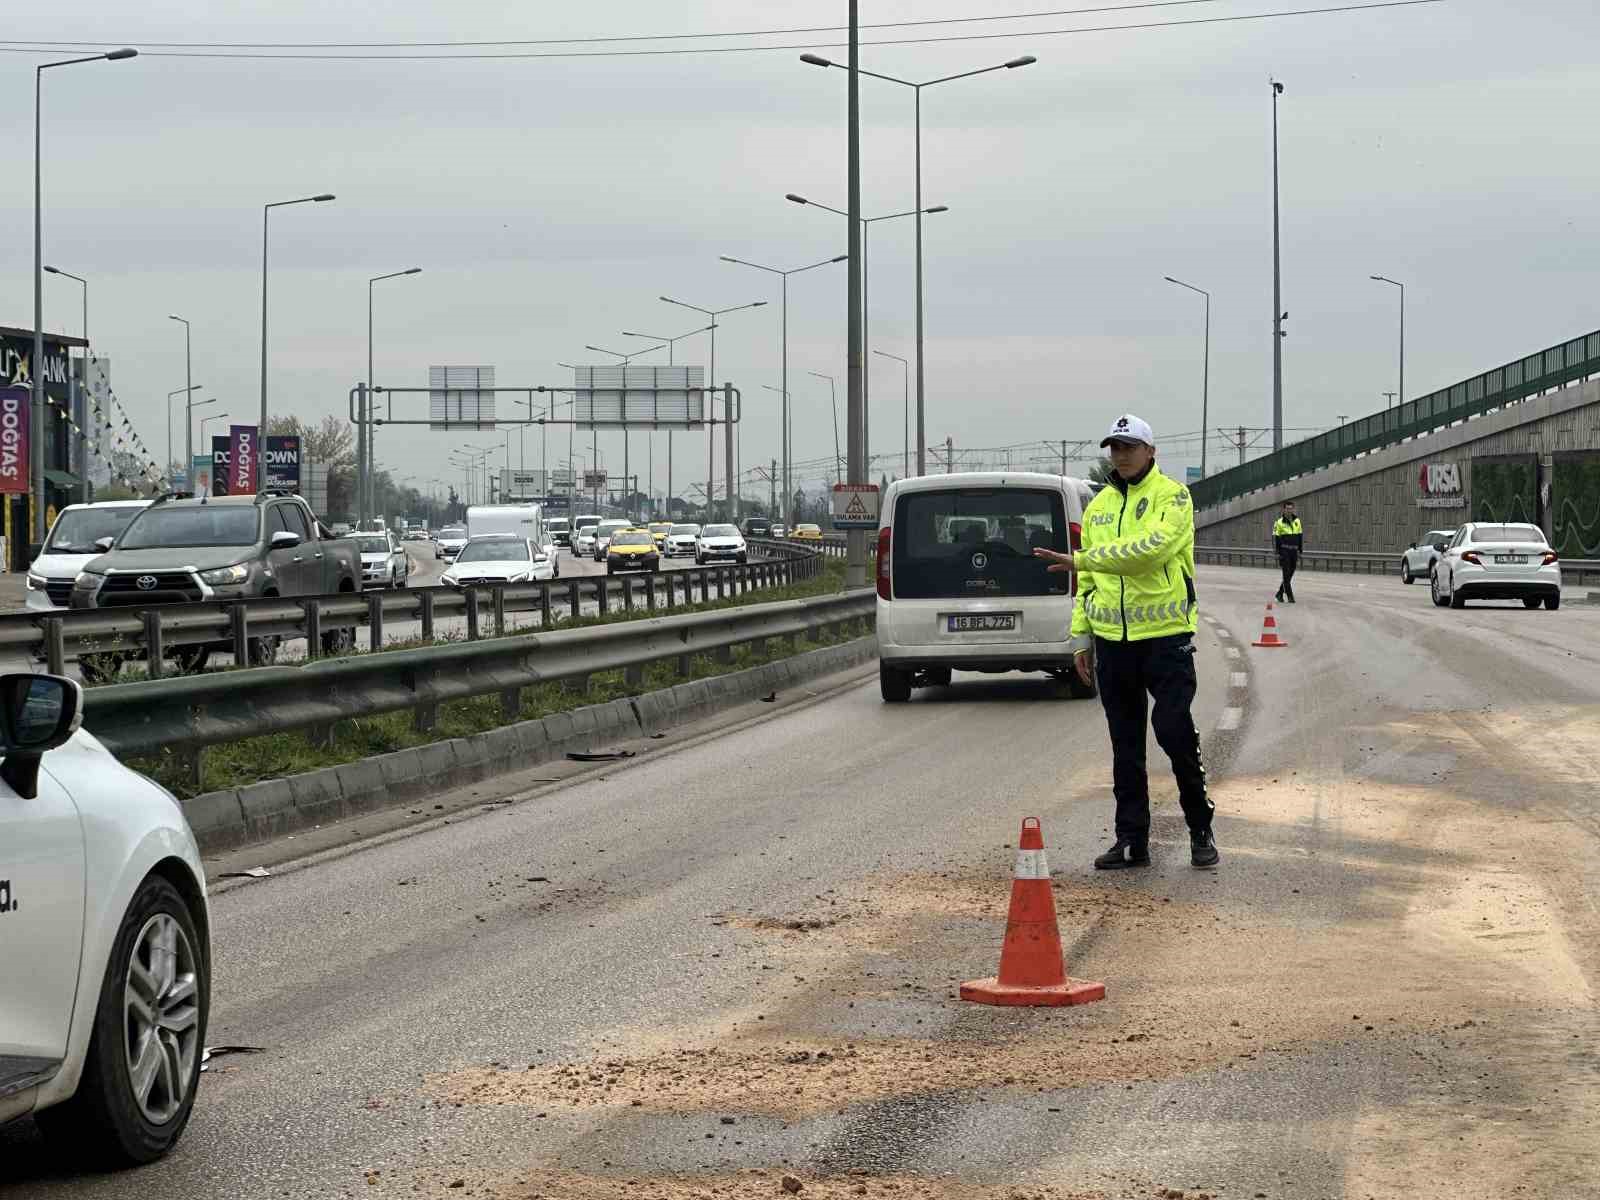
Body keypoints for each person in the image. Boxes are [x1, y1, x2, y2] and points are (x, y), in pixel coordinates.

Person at [1033, 414, 1218, 870]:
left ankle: (1200, 828)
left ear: (1151, 451)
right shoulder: (1098, 508)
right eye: (1114, 448)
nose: (1121, 455)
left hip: (1166, 639)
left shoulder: (1173, 496)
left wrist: (1082, 558)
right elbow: (1090, 582)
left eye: (1129, 446)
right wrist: (1081, 637)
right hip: (1114, 644)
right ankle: (1132, 840)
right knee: (1125, 745)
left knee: (1173, 731)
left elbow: (1148, 552)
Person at [1273, 501, 1303, 603]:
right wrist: (1277, 552)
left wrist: (1300, 550)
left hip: (1294, 551)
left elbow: (1300, 536)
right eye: (1287, 508)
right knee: (1286, 573)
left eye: (1291, 508)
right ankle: (1290, 595)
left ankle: (1280, 593)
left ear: (1293, 509)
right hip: (1284, 550)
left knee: (1291, 571)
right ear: (1284, 509)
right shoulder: (1279, 522)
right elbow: (1276, 538)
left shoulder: (1297, 521)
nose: (1289, 510)